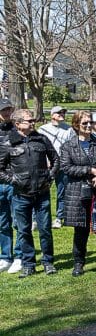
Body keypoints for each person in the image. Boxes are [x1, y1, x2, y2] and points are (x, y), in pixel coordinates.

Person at [0, 109, 58, 277]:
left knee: (45, 229)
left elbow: (55, 159)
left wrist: (50, 176)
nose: (33, 123)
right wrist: (13, 180)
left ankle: (48, 261)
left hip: (42, 193)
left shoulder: (41, 139)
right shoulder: (8, 143)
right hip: (21, 195)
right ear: (17, 124)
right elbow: (1, 168)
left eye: (33, 120)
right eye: (29, 120)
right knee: (23, 230)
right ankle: (28, 263)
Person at [61, 110, 96, 275]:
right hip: (78, 192)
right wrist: (90, 171)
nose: (89, 126)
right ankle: (79, 263)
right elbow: (66, 167)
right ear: (76, 125)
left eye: (90, 122)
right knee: (81, 230)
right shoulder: (68, 146)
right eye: (85, 123)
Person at [38, 106, 72, 228]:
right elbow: (39, 147)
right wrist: (45, 160)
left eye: (63, 112)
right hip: (47, 165)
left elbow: (71, 147)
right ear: (52, 115)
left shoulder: (69, 129)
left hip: (63, 165)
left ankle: (59, 217)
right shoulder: (43, 129)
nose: (62, 114)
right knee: (41, 191)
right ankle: (38, 218)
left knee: (62, 192)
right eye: (59, 112)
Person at [0, 98, 19, 273]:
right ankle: (5, 256)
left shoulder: (16, 130)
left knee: (18, 221)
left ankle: (19, 255)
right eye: (3, 110)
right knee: (2, 222)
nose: (6, 113)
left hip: (13, 181)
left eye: (8, 110)